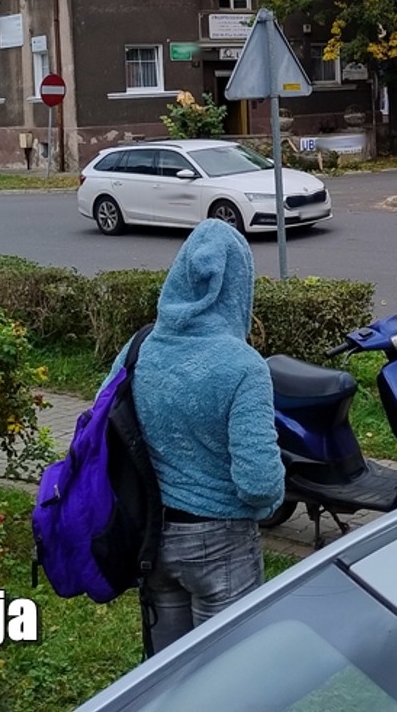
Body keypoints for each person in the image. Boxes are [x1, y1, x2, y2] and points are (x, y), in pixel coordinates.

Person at [131, 218, 283, 652]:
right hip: (223, 545)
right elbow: (259, 483)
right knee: (226, 673)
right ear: (239, 287)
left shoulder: (139, 348)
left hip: (152, 539)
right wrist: (269, 504)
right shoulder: (244, 367)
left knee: (170, 675)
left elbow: (108, 432)